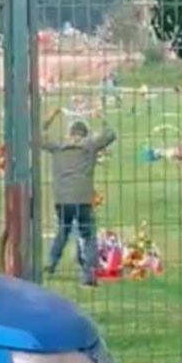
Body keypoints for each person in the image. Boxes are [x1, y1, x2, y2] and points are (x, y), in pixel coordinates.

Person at [41, 108, 117, 286]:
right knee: (88, 235)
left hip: (62, 199)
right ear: (85, 134)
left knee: (63, 230)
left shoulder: (58, 148)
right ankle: (89, 274)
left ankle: (51, 263)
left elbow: (36, 136)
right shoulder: (89, 146)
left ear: (69, 133)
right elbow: (111, 134)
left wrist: (50, 117)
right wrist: (101, 116)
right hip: (83, 199)